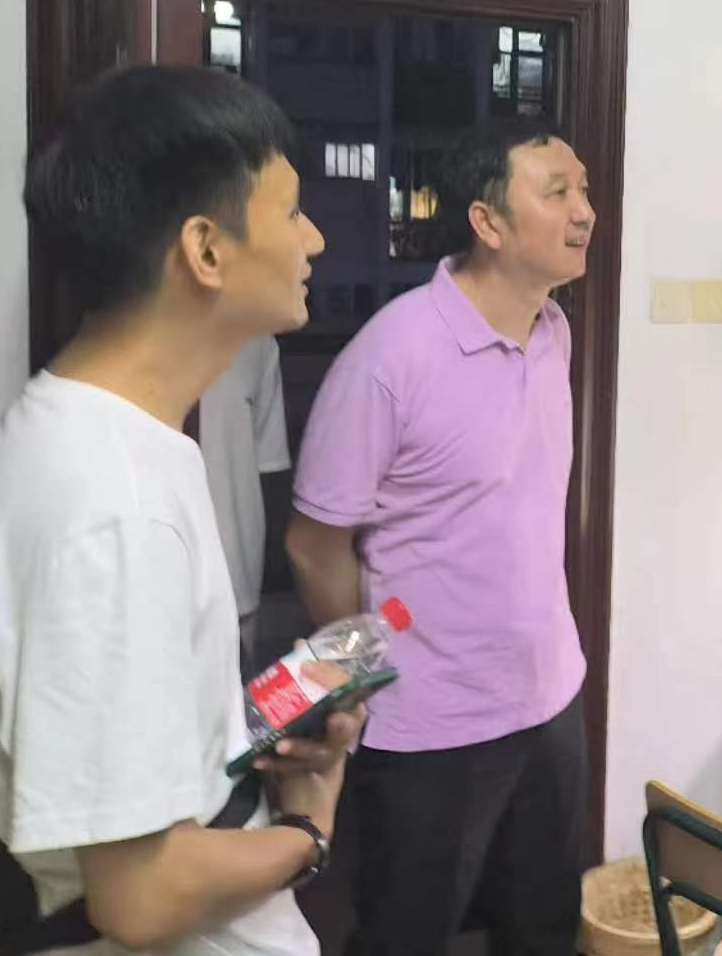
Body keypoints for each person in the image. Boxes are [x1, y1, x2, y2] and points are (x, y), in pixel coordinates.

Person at [0, 65, 359, 956]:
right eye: (291, 212)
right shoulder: (112, 505)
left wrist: (255, 733)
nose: (315, 238)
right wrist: (309, 827)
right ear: (206, 251)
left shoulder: (90, 432)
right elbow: (141, 896)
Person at [286, 117, 594, 956]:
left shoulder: (554, 332)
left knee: (543, 929)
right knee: (407, 935)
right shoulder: (392, 355)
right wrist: (356, 683)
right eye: (557, 192)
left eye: (583, 190)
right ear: (487, 222)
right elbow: (315, 543)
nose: (584, 211)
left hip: (550, 694)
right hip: (428, 716)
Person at [199, 333, 292, 668]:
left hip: (237, 580)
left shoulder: (257, 344)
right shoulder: (125, 338)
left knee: (234, 693)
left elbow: (269, 466)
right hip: (146, 581)